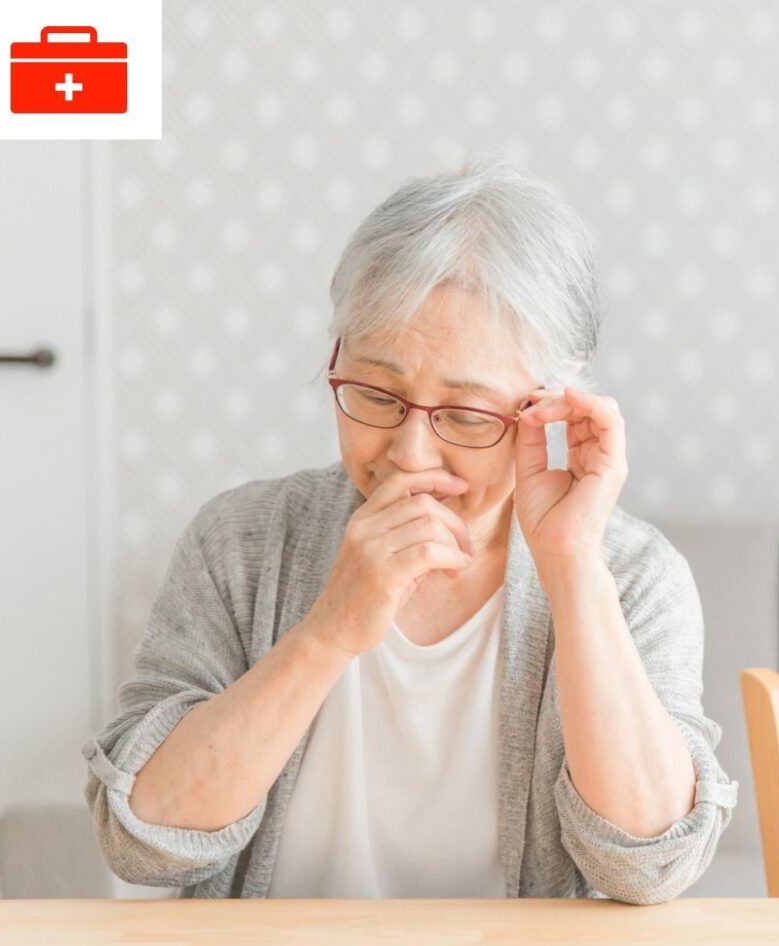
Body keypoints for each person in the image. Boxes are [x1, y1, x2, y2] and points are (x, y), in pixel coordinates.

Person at [81, 155, 738, 904]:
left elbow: (648, 867)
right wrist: (327, 631)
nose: (409, 453)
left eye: (465, 413)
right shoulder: (239, 541)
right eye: (376, 393)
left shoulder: (632, 573)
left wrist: (573, 566)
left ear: (550, 408)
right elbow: (142, 841)